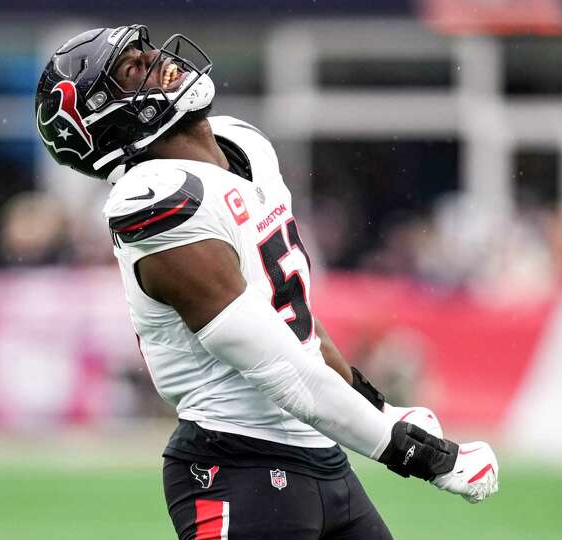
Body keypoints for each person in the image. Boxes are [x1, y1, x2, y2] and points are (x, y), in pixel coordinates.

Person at [34, 25, 498, 539]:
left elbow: (294, 323)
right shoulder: (155, 201)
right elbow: (279, 367)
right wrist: (419, 454)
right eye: (133, 69)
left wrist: (379, 406)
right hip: (236, 465)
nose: (157, 59)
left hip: (319, 457)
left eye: (145, 50)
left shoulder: (242, 144)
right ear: (108, 118)